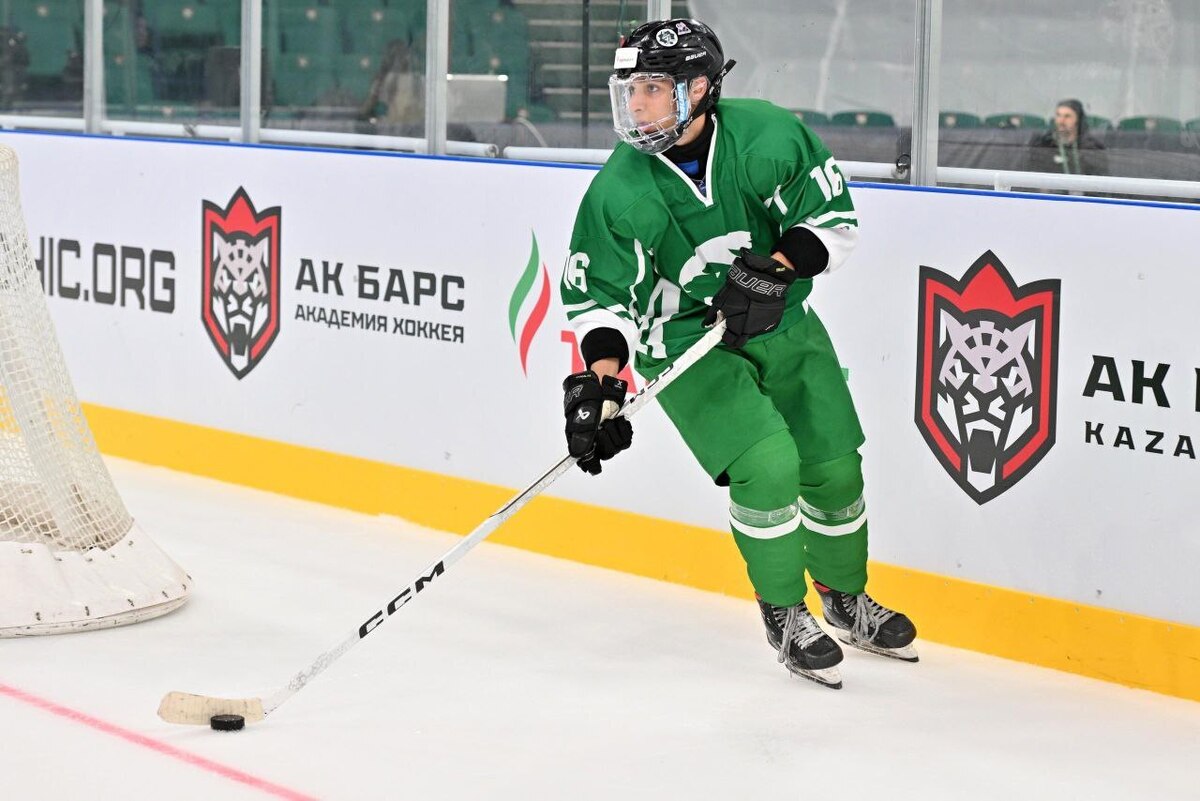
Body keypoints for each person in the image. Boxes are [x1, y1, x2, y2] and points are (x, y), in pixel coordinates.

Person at [557, 18, 916, 690]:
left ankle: (844, 597)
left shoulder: (767, 137)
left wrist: (776, 270)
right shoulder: (619, 190)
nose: (635, 105)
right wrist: (601, 382)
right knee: (768, 465)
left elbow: (830, 220)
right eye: (630, 90)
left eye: (652, 89)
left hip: (782, 321)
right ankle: (784, 612)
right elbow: (602, 299)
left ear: (698, 89)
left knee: (835, 466)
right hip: (686, 341)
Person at [1026, 99, 1108, 176]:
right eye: (1058, 115)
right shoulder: (1043, 145)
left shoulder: (1091, 148)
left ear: (1078, 120)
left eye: (1067, 116)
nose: (1061, 121)